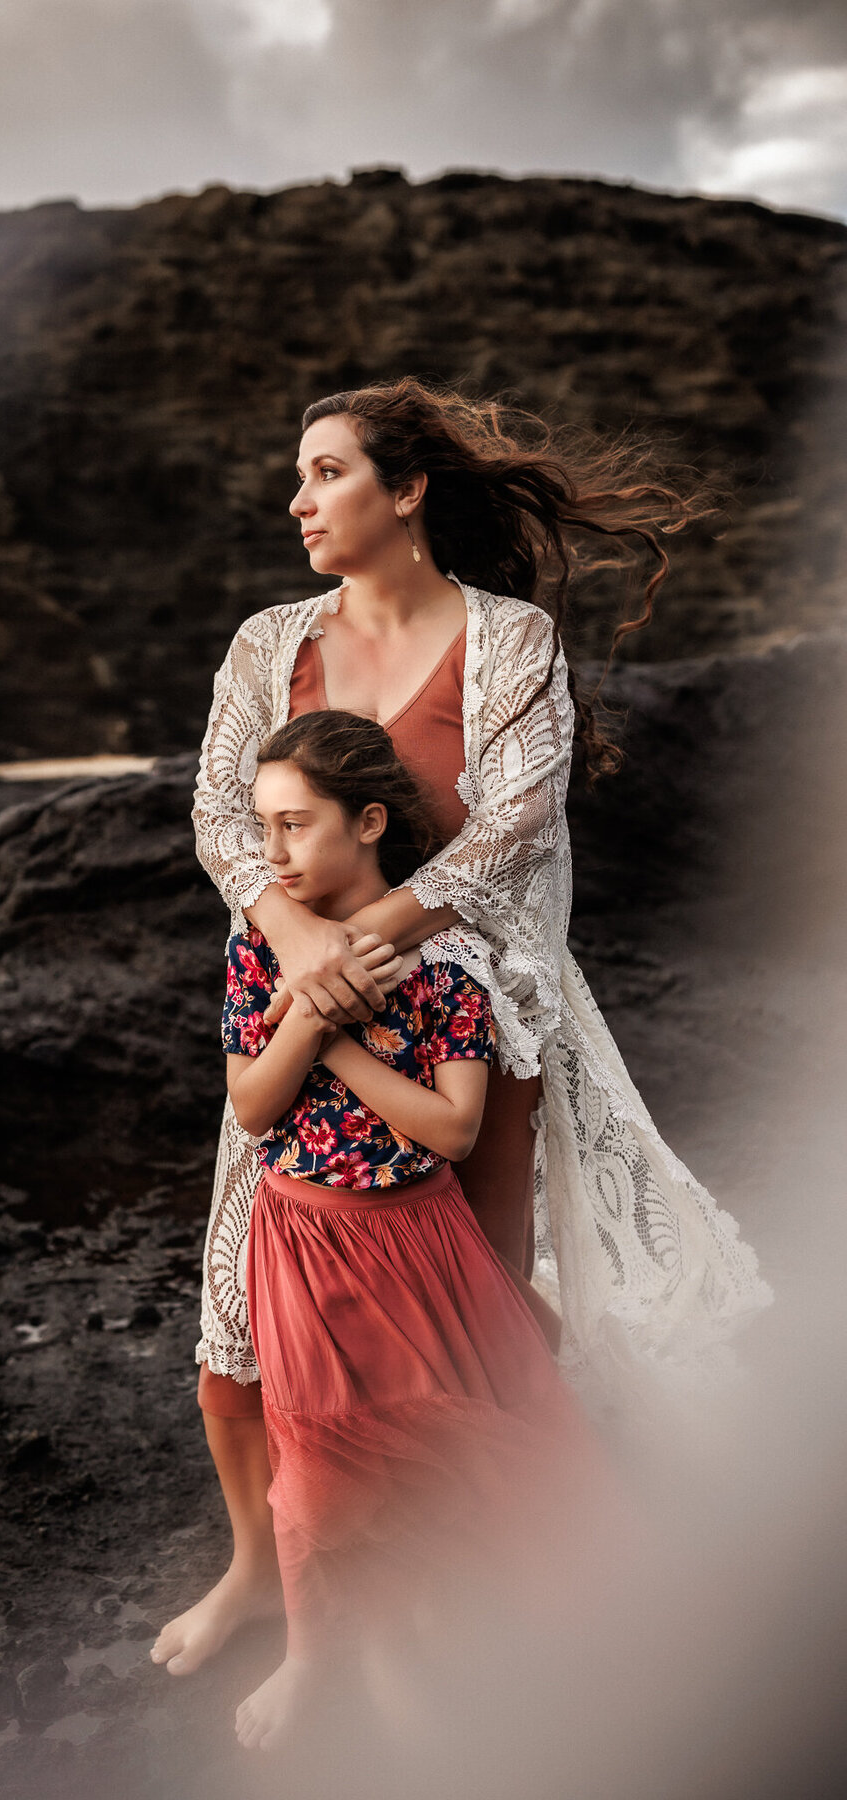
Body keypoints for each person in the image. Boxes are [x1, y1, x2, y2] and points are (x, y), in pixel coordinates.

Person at [151, 376, 770, 1680]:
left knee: (470, 1314)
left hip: (467, 1018)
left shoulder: (513, 640)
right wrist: (307, 952)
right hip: (300, 1002)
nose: (298, 499)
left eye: (326, 472)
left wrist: (368, 948)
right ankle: (257, 1577)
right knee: (241, 1304)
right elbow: (220, 816)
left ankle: (441, 1569)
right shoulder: (271, 643)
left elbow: (513, 829)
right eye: (300, 475)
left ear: (407, 486)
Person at [221, 711, 612, 1749]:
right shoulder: (259, 947)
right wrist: (311, 1011)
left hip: (418, 1240)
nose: (272, 854)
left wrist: (339, 1047)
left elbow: (453, 1126)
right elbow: (253, 1109)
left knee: (452, 1434)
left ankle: (453, 1623)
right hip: (299, 1241)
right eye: (262, 828)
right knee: (308, 1460)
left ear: (369, 823)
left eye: (295, 826)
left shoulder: (445, 964)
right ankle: (311, 1659)